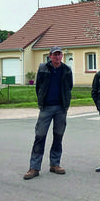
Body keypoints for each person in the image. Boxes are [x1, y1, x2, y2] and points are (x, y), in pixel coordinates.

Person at [23, 46, 73, 180]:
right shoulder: (43, 68)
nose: (57, 57)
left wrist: (65, 103)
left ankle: (55, 164)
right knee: (40, 136)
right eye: (55, 55)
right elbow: (38, 86)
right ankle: (34, 167)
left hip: (61, 108)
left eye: (59, 55)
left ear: (62, 56)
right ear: (50, 56)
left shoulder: (67, 70)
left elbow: (69, 87)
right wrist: (41, 100)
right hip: (46, 108)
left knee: (58, 136)